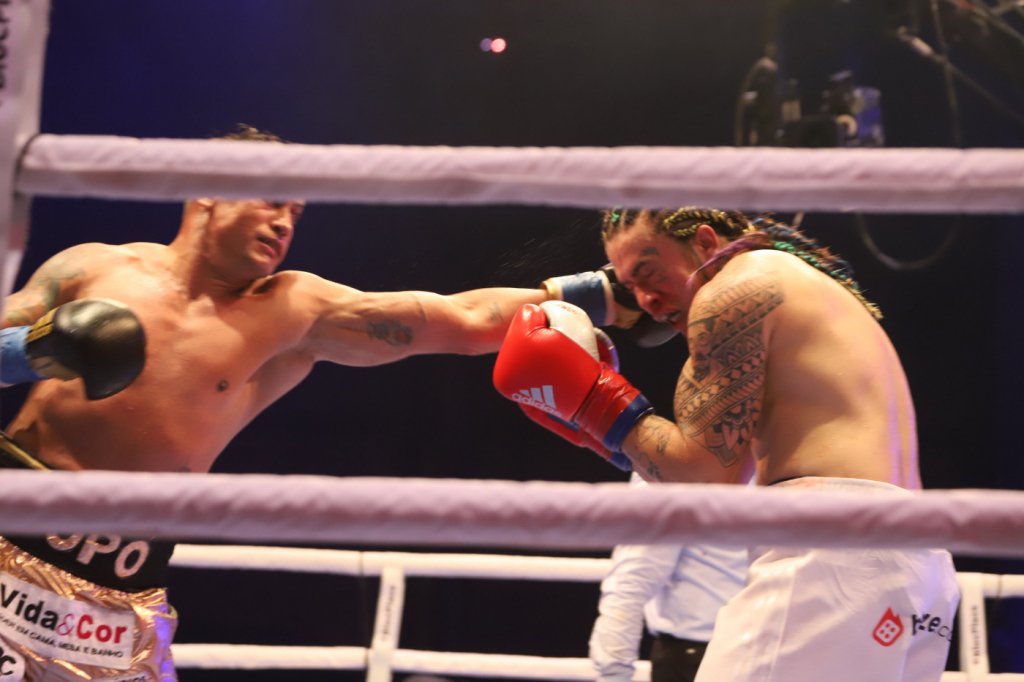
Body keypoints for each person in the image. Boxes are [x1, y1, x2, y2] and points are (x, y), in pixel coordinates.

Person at [0, 125, 563, 681]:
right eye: (272, 200)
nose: (284, 223)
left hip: (117, 604)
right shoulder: (94, 268)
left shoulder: (294, 313)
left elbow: (462, 319)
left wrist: (592, 295)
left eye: (296, 212)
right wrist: (34, 351)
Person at [494, 207, 960, 681]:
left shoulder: (736, 288)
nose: (647, 302)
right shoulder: (807, 286)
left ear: (704, 242)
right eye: (631, 287)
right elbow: (730, 477)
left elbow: (703, 480)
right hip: (919, 570)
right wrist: (607, 436)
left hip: (833, 554)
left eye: (649, 274)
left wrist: (595, 400)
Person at [589, 474, 748, 682]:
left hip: (755, 647)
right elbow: (633, 577)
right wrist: (613, 673)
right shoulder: (669, 472)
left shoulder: (767, 466)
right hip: (695, 654)